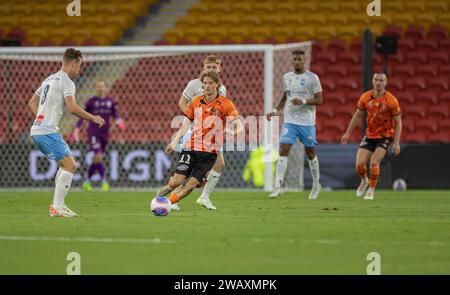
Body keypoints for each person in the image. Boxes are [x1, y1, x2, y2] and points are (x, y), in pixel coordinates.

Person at [27, 48, 105, 217]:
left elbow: (32, 102)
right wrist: (93, 118)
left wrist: (42, 119)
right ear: (73, 64)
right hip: (46, 130)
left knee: (66, 165)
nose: (79, 70)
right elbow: (72, 107)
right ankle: (57, 206)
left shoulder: (48, 79)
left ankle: (56, 205)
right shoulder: (67, 81)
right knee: (70, 165)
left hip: (40, 129)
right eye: (79, 66)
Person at [157, 71, 243, 208]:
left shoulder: (226, 104)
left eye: (210, 83)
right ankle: (168, 188)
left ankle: (166, 204)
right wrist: (174, 142)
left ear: (217, 84)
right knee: (176, 182)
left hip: (209, 153)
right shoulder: (196, 102)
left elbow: (239, 125)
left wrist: (232, 130)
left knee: (192, 185)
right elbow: (186, 124)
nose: (207, 86)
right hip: (191, 148)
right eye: (205, 83)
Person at [165, 55, 226, 210]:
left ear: (219, 68)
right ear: (204, 67)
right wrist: (193, 118)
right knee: (187, 172)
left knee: (219, 164)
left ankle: (203, 197)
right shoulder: (194, 85)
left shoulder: (222, 89)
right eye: (208, 67)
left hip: (211, 134)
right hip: (194, 131)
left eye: (214, 67)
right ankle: (177, 197)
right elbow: (182, 102)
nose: (211, 69)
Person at [266, 49, 323, 200]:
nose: (297, 61)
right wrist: (275, 110)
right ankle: (278, 186)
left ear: (304, 60)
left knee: (310, 153)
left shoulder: (312, 78)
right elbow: (285, 96)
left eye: (300, 59)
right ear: (292, 61)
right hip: (290, 121)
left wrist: (303, 101)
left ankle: (316, 184)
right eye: (295, 59)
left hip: (307, 122)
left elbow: (319, 99)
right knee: (283, 150)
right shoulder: (287, 77)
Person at [341, 73, 402, 200]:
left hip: (385, 136)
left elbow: (398, 122)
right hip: (370, 135)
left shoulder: (391, 100)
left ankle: (371, 190)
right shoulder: (365, 97)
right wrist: (347, 133)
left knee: (374, 162)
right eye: (376, 80)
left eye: (381, 80)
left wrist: (396, 142)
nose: (378, 82)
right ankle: (364, 181)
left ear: (386, 82)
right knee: (359, 164)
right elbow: (358, 115)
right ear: (372, 81)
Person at [71, 80, 126, 191]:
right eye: (98, 87)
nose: (100, 88)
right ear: (95, 88)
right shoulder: (91, 102)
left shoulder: (110, 101)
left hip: (104, 133)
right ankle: (104, 181)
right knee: (98, 156)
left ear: (105, 88)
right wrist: (77, 128)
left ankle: (87, 181)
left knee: (97, 159)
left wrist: (119, 120)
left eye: (102, 86)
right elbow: (83, 116)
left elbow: (115, 113)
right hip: (93, 133)